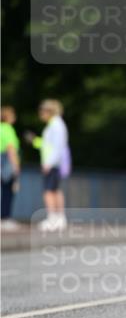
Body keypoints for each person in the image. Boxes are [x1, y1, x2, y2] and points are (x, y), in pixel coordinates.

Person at [25, 99, 70, 231]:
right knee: (55, 190)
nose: (40, 114)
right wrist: (34, 141)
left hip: (53, 163)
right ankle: (59, 218)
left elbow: (57, 146)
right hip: (55, 163)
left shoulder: (56, 125)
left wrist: (48, 163)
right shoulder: (54, 125)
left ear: (49, 111)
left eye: (42, 111)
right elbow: (47, 144)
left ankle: (53, 218)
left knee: (48, 191)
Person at [0, 105, 21, 229]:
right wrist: (16, 165)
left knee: (3, 190)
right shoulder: (8, 128)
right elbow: (11, 148)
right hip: (7, 161)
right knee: (8, 190)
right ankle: (5, 218)